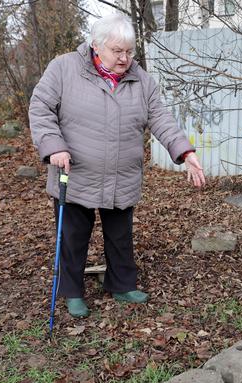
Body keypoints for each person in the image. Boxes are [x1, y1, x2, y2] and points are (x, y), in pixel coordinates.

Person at [29, 13, 205, 318]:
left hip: (121, 176)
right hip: (75, 174)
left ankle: (122, 284)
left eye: (129, 51)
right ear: (97, 47)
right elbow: (40, 107)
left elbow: (161, 119)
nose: (125, 58)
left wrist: (185, 152)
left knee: (120, 237)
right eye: (117, 51)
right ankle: (72, 292)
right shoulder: (64, 68)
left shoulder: (142, 81)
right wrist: (54, 146)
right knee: (72, 238)